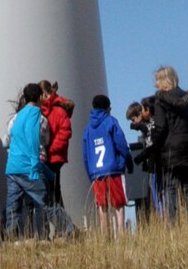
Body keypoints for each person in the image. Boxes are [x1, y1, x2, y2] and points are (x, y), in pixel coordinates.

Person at [151, 66, 188, 218]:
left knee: (170, 189)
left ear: (161, 81)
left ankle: (173, 229)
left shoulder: (160, 100)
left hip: (170, 150)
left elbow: (161, 128)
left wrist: (155, 146)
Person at [5, 81, 52, 236]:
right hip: (28, 165)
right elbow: (37, 139)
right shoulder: (36, 114)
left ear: (24, 98)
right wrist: (34, 163)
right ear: (40, 97)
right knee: (43, 202)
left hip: (13, 166)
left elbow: (8, 139)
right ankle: (63, 231)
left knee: (13, 205)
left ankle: (11, 237)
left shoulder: (16, 118)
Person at [82, 94, 133, 237]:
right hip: (113, 169)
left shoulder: (87, 129)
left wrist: (90, 174)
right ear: (107, 108)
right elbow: (121, 143)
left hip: (96, 172)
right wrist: (128, 161)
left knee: (102, 205)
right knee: (118, 203)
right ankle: (122, 233)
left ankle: (105, 235)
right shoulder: (111, 122)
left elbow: (85, 155)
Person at [39, 79, 76, 235]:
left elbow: (65, 133)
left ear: (45, 94)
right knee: (53, 192)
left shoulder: (58, 111)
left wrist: (50, 149)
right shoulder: (50, 110)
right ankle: (63, 228)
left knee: (51, 193)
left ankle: (65, 228)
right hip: (52, 157)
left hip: (53, 158)